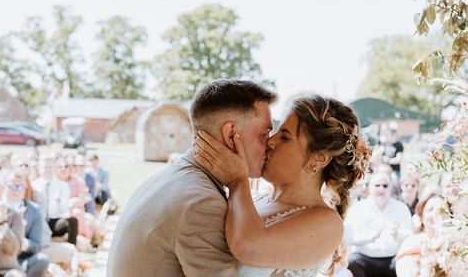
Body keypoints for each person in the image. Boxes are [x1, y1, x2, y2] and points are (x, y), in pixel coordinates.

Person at [107, 79, 277, 277]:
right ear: (231, 135)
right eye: (264, 134)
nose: (271, 144)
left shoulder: (170, 177)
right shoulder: (202, 203)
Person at [194, 94, 369, 277]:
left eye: (285, 137)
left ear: (318, 158)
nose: (270, 141)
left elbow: (247, 246)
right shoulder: (256, 199)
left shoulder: (327, 223)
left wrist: (237, 180)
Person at [345, 172, 413, 277]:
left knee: (408, 261)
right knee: (352, 261)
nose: (381, 189)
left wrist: (397, 234)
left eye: (385, 186)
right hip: (365, 257)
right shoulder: (358, 208)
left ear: (390, 188)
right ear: (370, 187)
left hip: (393, 258)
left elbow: (410, 236)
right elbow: (349, 238)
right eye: (377, 185)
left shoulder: (401, 208)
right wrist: (371, 237)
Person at [5, 172, 50, 277]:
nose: (16, 190)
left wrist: (19, 242)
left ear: (25, 189)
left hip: (20, 259)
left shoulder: (34, 210)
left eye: (20, 187)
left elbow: (36, 246)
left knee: (42, 260)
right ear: (5, 186)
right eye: (12, 186)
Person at [395, 193, 445, 277]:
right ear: (421, 216)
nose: (436, 214)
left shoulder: (457, 245)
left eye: (442, 210)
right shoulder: (411, 243)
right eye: (431, 209)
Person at [32, 158, 78, 246]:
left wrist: (59, 200)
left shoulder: (62, 185)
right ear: (39, 168)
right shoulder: (33, 185)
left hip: (54, 222)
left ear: (54, 169)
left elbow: (63, 210)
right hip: (39, 222)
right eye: (45, 167)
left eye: (50, 167)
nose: (47, 169)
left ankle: (72, 248)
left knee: (73, 221)